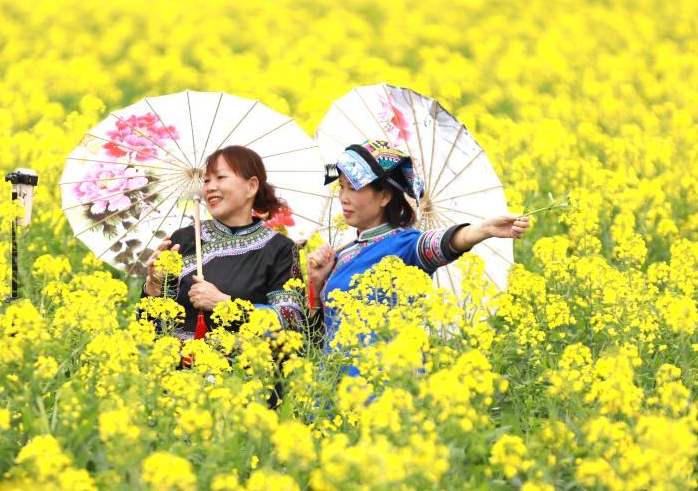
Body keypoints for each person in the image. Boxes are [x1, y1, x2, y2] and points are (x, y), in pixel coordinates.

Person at [306, 138, 529, 346]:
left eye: (353, 188)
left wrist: (483, 230)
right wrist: (316, 283)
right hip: (338, 384)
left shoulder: (405, 245)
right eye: (341, 187)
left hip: (386, 380)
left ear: (384, 196)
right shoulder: (343, 256)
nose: (343, 197)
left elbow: (441, 244)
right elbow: (318, 343)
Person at [141, 145, 304, 340]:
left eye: (220, 177)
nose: (209, 187)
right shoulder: (182, 240)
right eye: (206, 180)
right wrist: (153, 287)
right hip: (176, 367)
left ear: (251, 186)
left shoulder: (280, 249)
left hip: (241, 369)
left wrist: (224, 304)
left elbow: (293, 324)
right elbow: (148, 329)